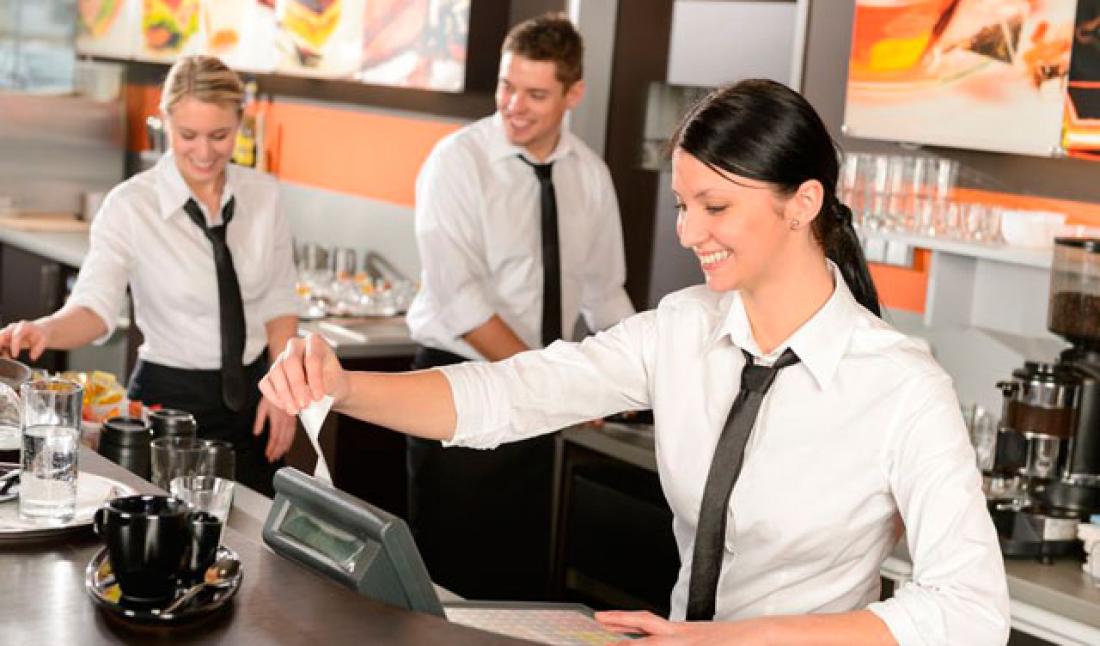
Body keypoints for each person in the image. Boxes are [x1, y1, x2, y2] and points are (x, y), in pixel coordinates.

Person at [260, 78, 1010, 645]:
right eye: (683, 205)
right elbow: (508, 395)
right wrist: (344, 386)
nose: (688, 232)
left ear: (803, 202)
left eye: (715, 206)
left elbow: (970, 609)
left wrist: (727, 641)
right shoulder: (681, 328)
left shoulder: (902, 384)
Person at [401, 13, 634, 598]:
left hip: (540, 398)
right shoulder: (457, 162)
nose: (514, 105)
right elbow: (461, 304)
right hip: (460, 385)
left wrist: (644, 381)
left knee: (520, 585)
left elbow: (605, 294)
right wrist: (554, 386)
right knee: (448, 584)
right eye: (507, 86)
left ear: (573, 94)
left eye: (535, 94)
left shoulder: (590, 175)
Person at [0, 55, 299, 497]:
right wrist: (45, 330)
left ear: (240, 122)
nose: (204, 152)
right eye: (188, 135)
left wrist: (283, 388)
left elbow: (279, 300)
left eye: (219, 135)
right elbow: (95, 308)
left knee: (256, 527)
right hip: (166, 406)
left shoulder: (264, 196)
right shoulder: (131, 205)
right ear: (165, 122)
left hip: (256, 403)